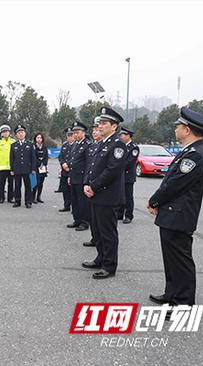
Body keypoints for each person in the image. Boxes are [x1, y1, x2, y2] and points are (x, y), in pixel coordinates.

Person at [147, 107, 203, 310]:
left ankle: (183, 303)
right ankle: (171, 293)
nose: (175, 128)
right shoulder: (189, 151)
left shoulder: (196, 155)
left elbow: (174, 184)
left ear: (187, 129)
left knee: (181, 261)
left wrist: (154, 200)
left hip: (180, 216)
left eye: (178, 126)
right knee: (171, 258)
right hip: (172, 214)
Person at [82, 107, 126, 279]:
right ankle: (100, 258)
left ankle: (109, 265)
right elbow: (92, 166)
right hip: (96, 194)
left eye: (104, 123)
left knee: (108, 232)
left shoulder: (118, 144)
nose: (99, 126)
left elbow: (112, 171)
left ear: (114, 126)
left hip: (108, 196)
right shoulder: (102, 142)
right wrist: (87, 183)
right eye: (99, 123)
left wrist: (93, 187)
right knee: (98, 231)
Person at [67, 121, 91, 231]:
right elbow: (73, 162)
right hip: (74, 177)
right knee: (75, 201)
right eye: (74, 133)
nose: (75, 135)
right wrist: (69, 176)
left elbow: (88, 164)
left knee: (83, 202)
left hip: (82, 178)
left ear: (83, 133)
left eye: (77, 132)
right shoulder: (75, 145)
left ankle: (85, 222)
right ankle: (77, 220)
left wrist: (86, 181)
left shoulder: (87, 145)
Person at [83, 118, 102, 248]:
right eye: (93, 130)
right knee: (93, 218)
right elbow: (88, 167)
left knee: (102, 223)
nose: (95, 132)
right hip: (91, 187)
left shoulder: (110, 146)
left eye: (97, 129)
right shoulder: (93, 146)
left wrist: (93, 186)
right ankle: (94, 238)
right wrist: (86, 183)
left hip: (100, 188)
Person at [117, 126, 140, 224]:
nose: (121, 136)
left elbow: (129, 162)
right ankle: (120, 213)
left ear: (128, 136)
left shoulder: (134, 147)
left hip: (128, 176)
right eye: (121, 134)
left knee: (128, 196)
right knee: (120, 195)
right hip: (120, 175)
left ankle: (129, 215)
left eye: (123, 135)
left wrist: (117, 168)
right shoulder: (121, 146)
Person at [10, 125, 36, 208]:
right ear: (16, 135)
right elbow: (11, 158)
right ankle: (17, 201)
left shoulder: (30, 144)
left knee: (28, 186)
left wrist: (33, 169)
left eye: (22, 132)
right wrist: (12, 169)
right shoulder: (13, 145)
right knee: (17, 186)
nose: (20, 134)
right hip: (17, 168)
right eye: (18, 133)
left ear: (25, 133)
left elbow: (33, 158)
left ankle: (28, 202)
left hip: (27, 168)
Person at [0, 124, 15, 204]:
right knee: (1, 184)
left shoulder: (13, 142)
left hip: (11, 167)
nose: (5, 133)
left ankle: (10, 198)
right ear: (1, 134)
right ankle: (1, 198)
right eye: (3, 132)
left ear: (9, 132)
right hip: (1, 167)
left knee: (11, 184)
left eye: (6, 131)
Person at [57, 128, 74, 212]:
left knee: (73, 191)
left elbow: (76, 158)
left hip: (72, 171)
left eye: (71, 135)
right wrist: (63, 164)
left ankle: (74, 207)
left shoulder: (76, 145)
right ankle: (66, 205)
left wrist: (68, 164)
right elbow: (60, 156)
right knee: (65, 190)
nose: (70, 137)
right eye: (68, 136)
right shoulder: (64, 145)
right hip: (64, 171)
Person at [32, 132, 49, 203]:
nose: (39, 139)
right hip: (36, 167)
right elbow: (33, 157)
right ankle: (33, 197)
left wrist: (44, 164)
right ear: (35, 139)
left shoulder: (44, 147)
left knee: (41, 183)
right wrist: (39, 164)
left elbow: (46, 157)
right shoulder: (33, 146)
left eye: (40, 138)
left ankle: (39, 197)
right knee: (35, 183)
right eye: (37, 138)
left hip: (43, 167)